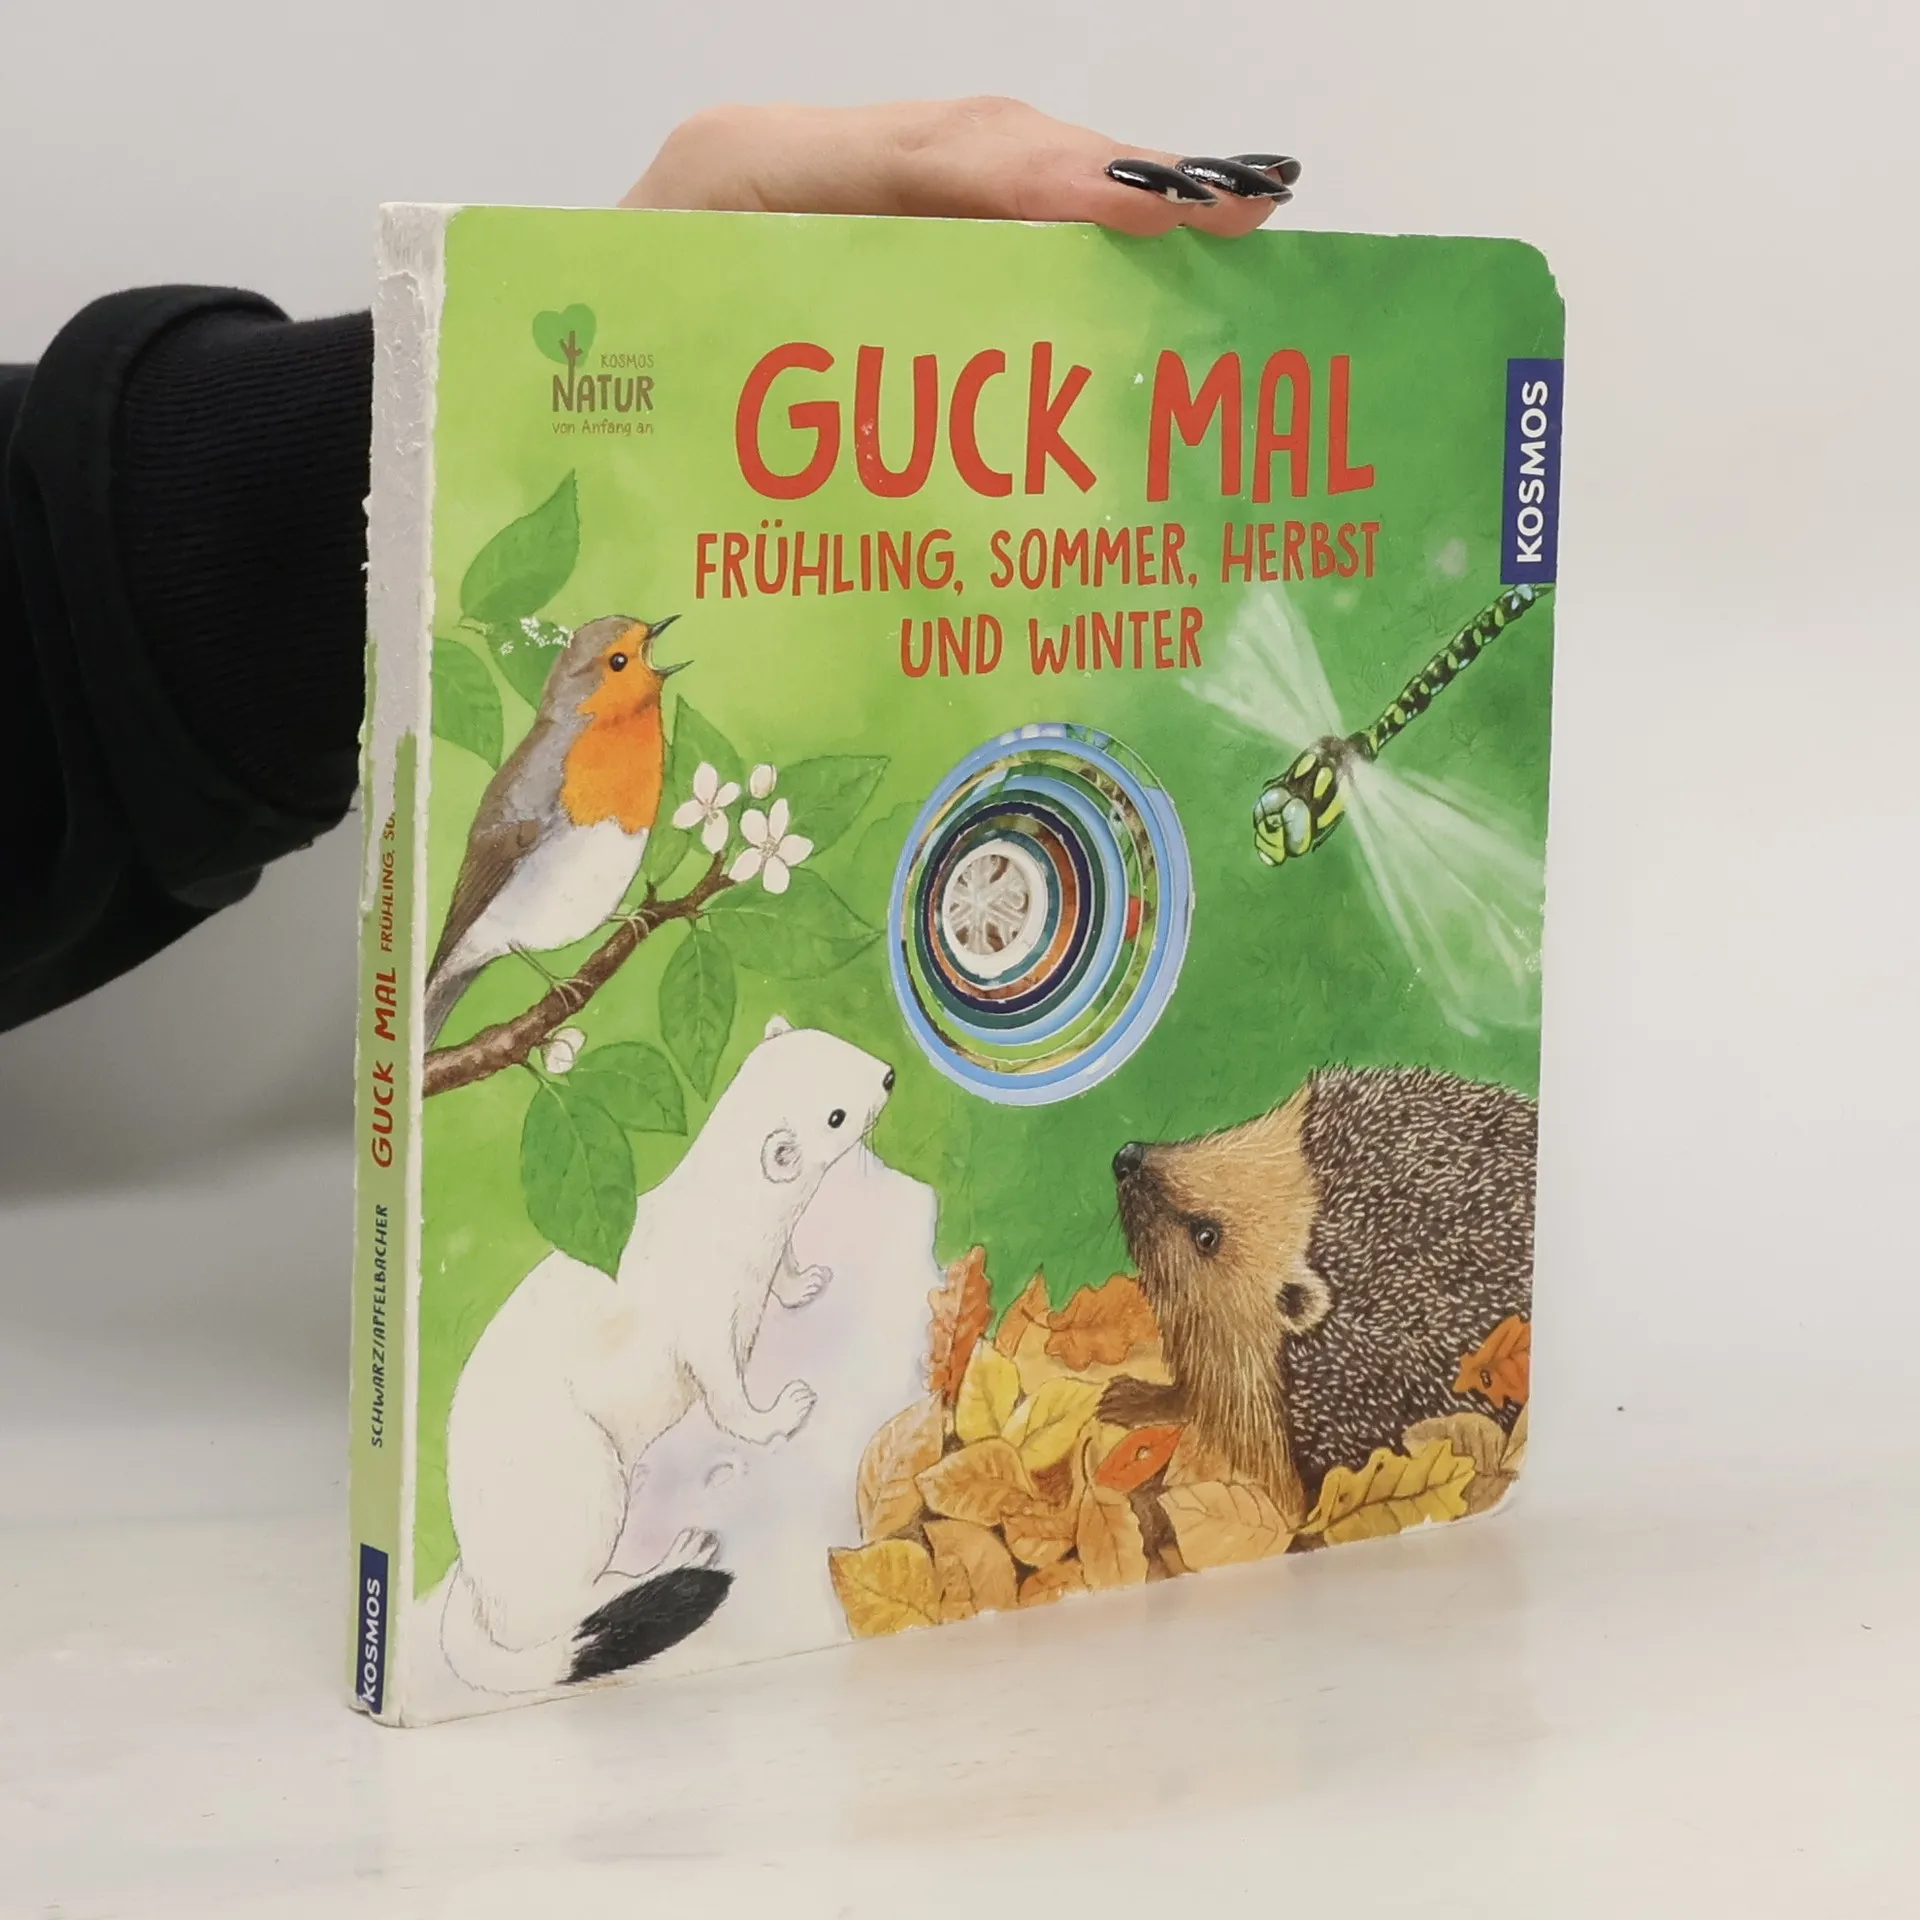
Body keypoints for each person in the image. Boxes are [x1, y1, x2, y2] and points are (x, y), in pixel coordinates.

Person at [0, 98, 1294, 1033]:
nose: (646, 665)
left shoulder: (636, 743)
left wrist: (494, 418)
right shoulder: (573, 763)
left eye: (636, 656)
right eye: (623, 660)